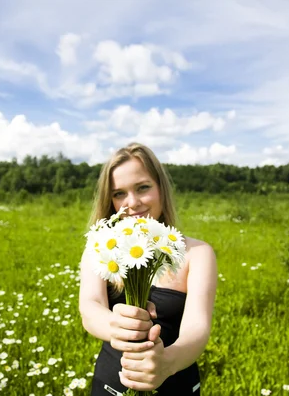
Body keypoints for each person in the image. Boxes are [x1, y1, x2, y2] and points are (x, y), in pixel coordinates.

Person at [78, 142, 218, 395]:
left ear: (161, 188)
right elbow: (89, 307)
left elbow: (197, 329)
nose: (131, 203)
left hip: (176, 381)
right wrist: (115, 325)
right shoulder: (101, 246)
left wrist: (165, 364)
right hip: (111, 384)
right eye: (119, 193)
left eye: (143, 188)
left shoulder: (197, 253)